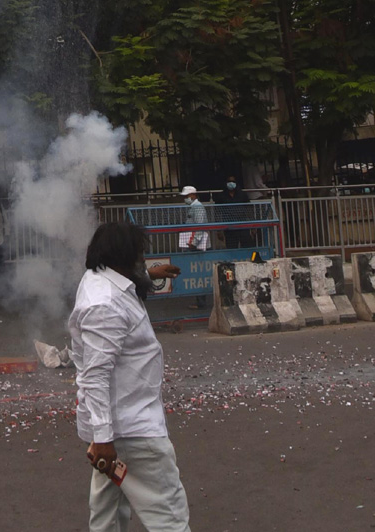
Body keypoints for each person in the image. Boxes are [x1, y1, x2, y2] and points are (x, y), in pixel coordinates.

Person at [69, 222, 189, 532]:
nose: (143, 260)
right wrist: (104, 440)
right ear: (123, 257)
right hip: (132, 432)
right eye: (140, 255)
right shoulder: (105, 306)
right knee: (168, 517)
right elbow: (95, 376)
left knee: (107, 516)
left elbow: (128, 285)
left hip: (115, 430)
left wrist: (151, 276)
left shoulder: (99, 280)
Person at [215, 177, 254, 248]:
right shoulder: (221, 196)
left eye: (233, 181)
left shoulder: (242, 194)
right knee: (231, 248)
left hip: (242, 225)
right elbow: (217, 212)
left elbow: (249, 209)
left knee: (247, 247)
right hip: (229, 227)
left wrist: (253, 226)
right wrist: (219, 230)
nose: (231, 183)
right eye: (229, 181)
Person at [177, 186, 208, 251]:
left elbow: (200, 225)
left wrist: (194, 242)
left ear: (193, 195)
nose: (185, 198)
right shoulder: (192, 207)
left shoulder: (197, 207)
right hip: (192, 242)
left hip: (196, 244)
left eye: (186, 196)